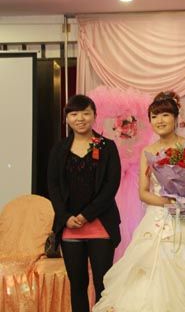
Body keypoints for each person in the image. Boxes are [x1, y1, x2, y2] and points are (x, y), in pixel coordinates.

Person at [93, 91, 185, 312]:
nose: (160, 120)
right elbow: (143, 193)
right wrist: (169, 202)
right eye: (154, 116)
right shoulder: (148, 152)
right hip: (159, 218)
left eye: (165, 115)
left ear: (176, 118)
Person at [47, 94, 121, 312]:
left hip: (101, 226)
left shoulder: (107, 146)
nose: (80, 118)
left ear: (94, 115)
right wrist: (65, 217)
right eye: (74, 114)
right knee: (77, 286)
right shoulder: (59, 149)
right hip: (70, 228)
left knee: (103, 285)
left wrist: (86, 215)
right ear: (67, 118)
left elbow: (111, 186)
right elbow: (53, 186)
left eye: (86, 113)